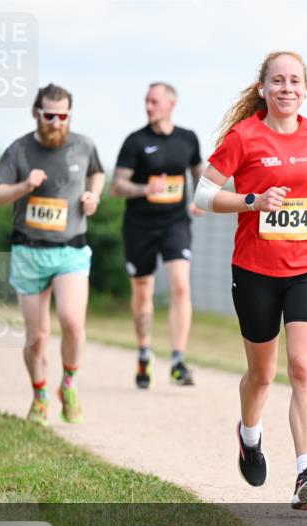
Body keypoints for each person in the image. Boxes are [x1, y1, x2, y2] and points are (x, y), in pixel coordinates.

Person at [194, 51, 307, 510]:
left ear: (305, 89)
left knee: (304, 367)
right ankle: (249, 435)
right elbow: (203, 194)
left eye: (295, 81)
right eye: (278, 81)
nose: (287, 88)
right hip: (254, 271)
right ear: (264, 88)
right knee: (262, 375)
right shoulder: (244, 136)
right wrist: (252, 200)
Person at [0, 83, 105, 424]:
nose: (56, 122)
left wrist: (92, 196)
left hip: (71, 249)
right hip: (29, 250)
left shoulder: (84, 145)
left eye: (63, 115)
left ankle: (68, 383)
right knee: (37, 338)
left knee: (71, 321)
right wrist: (24, 186)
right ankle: (39, 395)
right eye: (49, 115)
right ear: (36, 113)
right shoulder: (19, 151)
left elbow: (97, 172)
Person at [110, 82, 204, 388]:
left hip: (175, 223)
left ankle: (178, 360)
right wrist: (144, 189)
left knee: (180, 286)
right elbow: (117, 186)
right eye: (146, 101)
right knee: (142, 292)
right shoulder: (135, 142)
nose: (149, 107)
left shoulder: (187, 139)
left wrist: (201, 197)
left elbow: (199, 173)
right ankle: (144, 351)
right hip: (140, 226)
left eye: (154, 101)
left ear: (171, 104)